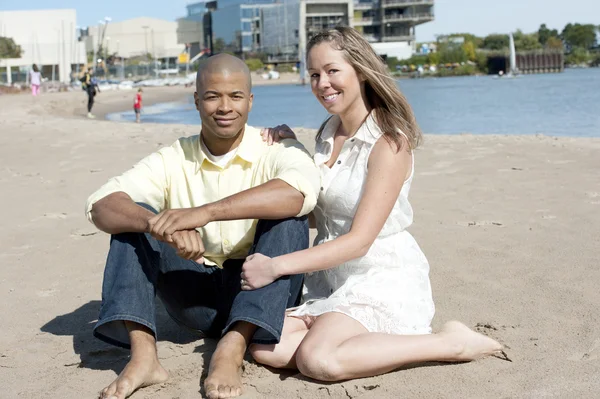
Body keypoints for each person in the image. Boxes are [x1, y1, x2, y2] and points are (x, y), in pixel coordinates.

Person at [243, 27, 503, 382]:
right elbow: (318, 213)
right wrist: (289, 150)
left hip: (379, 276)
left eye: (333, 71)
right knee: (262, 345)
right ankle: (348, 336)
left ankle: (449, 343)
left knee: (318, 360)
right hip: (332, 281)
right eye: (315, 74)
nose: (323, 84)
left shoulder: (389, 143)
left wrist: (276, 267)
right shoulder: (326, 134)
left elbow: (359, 241)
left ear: (361, 71)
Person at [86, 54, 320, 399]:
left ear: (250, 101)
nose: (225, 107)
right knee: (131, 221)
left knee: (288, 217)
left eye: (235, 96)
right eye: (212, 96)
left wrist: (205, 213)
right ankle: (144, 357)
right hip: (196, 295)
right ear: (196, 101)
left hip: (261, 292)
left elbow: (299, 192)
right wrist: (157, 224)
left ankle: (233, 345)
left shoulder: (277, 147)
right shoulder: (174, 157)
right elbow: (101, 204)